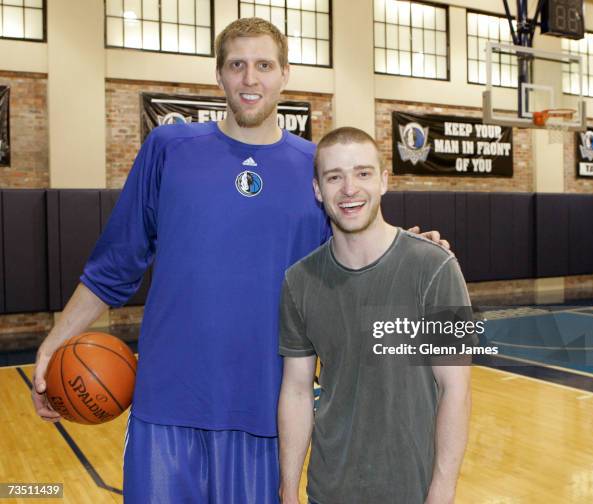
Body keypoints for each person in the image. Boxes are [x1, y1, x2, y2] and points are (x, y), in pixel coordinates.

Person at [31, 18, 448, 504]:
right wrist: (53, 344)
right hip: (167, 404)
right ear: (219, 76)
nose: (251, 79)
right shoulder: (169, 149)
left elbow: (361, 253)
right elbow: (113, 267)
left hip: (266, 412)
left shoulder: (316, 170)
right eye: (238, 65)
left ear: (285, 74)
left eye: (264, 65)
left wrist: (416, 251)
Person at [278, 127, 472, 504]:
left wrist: (442, 490)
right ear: (318, 190)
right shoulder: (298, 281)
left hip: (412, 492)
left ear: (383, 180)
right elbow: (297, 390)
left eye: (363, 173)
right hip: (328, 490)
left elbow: (457, 390)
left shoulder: (437, 267)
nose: (349, 188)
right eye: (334, 177)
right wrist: (288, 489)